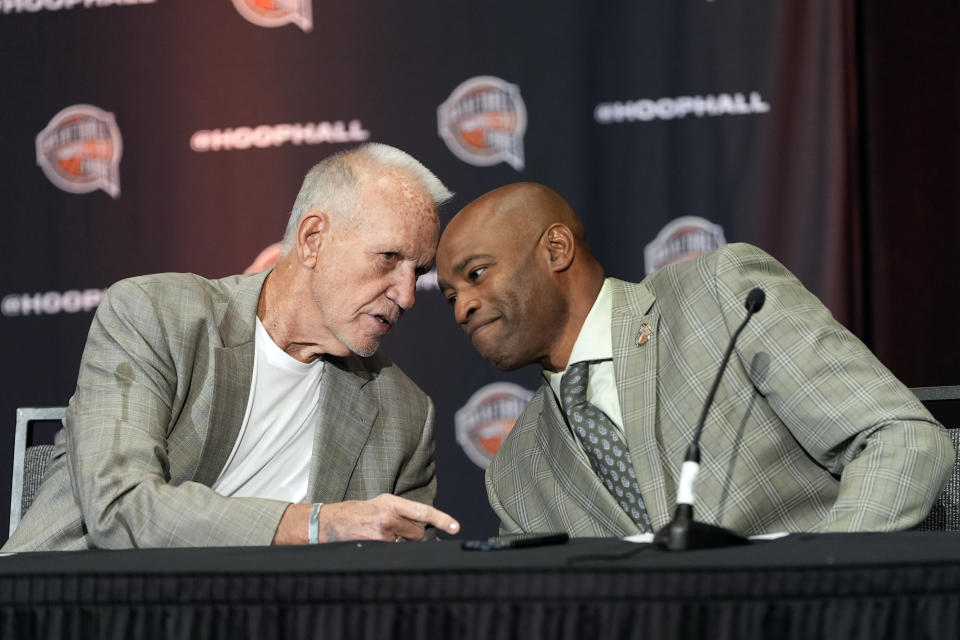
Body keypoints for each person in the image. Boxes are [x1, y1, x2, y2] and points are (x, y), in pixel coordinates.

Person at [4, 143, 461, 550]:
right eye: (389, 259)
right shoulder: (158, 315)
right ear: (312, 239)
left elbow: (399, 583)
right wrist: (317, 524)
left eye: (417, 272)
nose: (405, 295)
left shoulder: (405, 415)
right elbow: (121, 509)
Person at [436, 182, 953, 536]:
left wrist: (826, 588)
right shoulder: (514, 475)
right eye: (449, 295)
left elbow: (899, 437)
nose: (462, 307)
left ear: (555, 250)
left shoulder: (719, 297)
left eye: (475, 274)